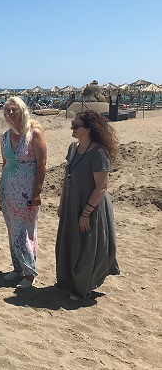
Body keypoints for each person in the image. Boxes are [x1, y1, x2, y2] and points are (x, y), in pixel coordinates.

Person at [56, 110, 120, 300]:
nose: (72, 128)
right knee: (70, 241)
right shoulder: (73, 148)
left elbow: (101, 187)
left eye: (76, 126)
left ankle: (85, 287)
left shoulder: (99, 152)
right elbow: (67, 177)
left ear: (88, 129)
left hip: (91, 204)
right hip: (72, 202)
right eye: (72, 124)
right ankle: (70, 281)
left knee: (88, 246)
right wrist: (62, 203)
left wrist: (86, 213)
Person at [0, 97, 47, 288]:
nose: (10, 113)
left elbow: (42, 164)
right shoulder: (4, 136)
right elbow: (5, 164)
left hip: (26, 192)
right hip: (7, 191)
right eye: (7, 110)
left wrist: (37, 193)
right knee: (12, 231)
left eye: (14, 109)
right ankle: (17, 268)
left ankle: (29, 273)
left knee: (24, 232)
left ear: (22, 110)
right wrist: (3, 193)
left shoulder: (34, 133)